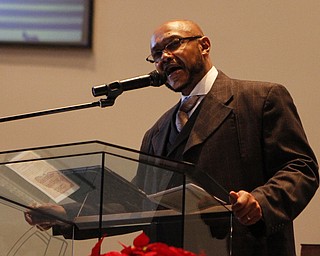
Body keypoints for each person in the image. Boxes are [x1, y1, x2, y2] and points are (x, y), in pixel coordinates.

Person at [132, 19, 319, 255]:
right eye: (157, 54)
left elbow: (301, 169)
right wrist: (76, 208)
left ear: (204, 45)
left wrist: (261, 202)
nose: (164, 57)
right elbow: (138, 203)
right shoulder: (156, 134)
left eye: (174, 44)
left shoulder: (261, 99)